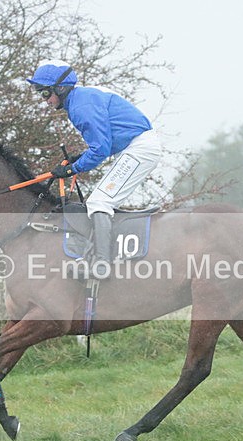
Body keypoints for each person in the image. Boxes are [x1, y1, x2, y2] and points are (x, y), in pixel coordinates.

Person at [26, 59, 162, 279]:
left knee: (99, 202)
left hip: (139, 148)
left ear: (60, 89)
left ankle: (101, 264)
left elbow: (100, 149)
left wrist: (72, 169)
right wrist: (78, 160)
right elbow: (104, 143)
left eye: (45, 94)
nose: (45, 101)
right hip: (133, 146)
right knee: (99, 200)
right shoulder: (79, 100)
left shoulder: (80, 106)